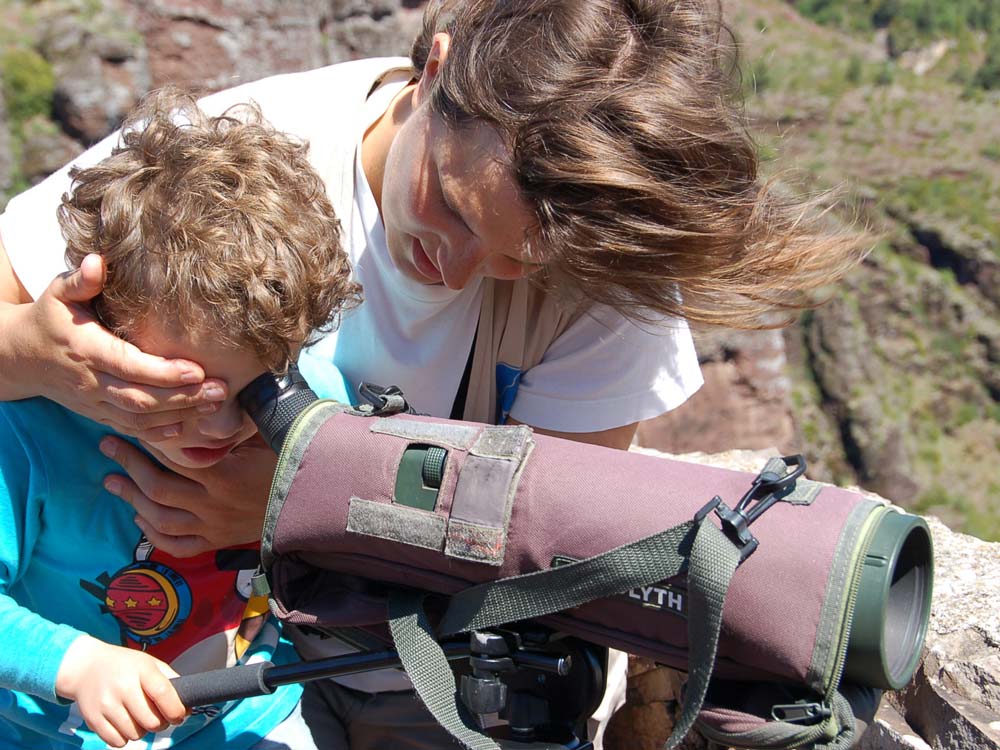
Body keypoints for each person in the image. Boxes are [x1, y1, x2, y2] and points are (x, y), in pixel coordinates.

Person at [0, 1, 868, 747]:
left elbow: (546, 554)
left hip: (415, 666)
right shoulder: (220, 178)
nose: (453, 269)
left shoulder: (604, 259)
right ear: (434, 67)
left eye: (517, 261)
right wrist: (39, 355)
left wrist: (303, 504)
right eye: (446, 203)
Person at [0, 90, 359, 749]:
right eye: (180, 390)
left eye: (256, 392)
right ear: (100, 330)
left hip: (252, 720)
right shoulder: (27, 434)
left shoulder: (321, 406)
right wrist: (77, 666)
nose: (220, 427)